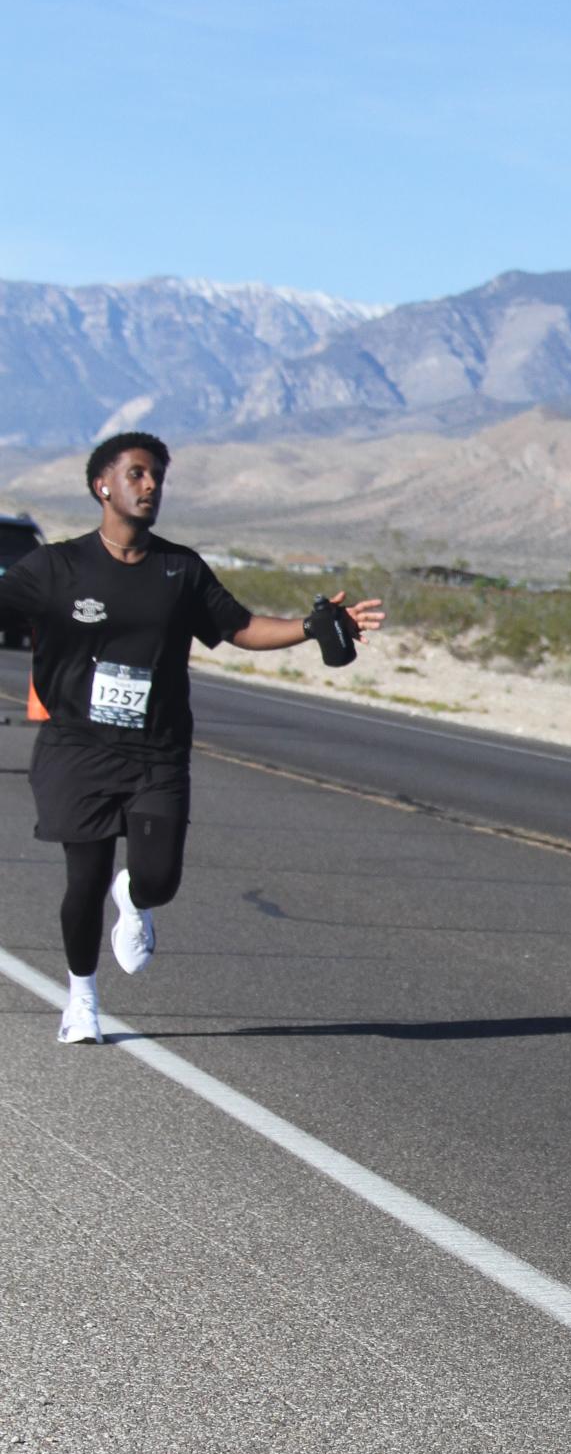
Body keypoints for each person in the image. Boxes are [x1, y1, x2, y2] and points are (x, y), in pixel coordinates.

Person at [0, 432, 385, 1042]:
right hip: (77, 748)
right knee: (84, 880)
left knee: (159, 877)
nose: (151, 485)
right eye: (137, 473)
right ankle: (82, 1000)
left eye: (157, 476)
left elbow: (241, 627)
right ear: (103, 486)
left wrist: (312, 627)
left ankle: (136, 897)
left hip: (156, 751)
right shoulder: (56, 567)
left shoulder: (179, 570)